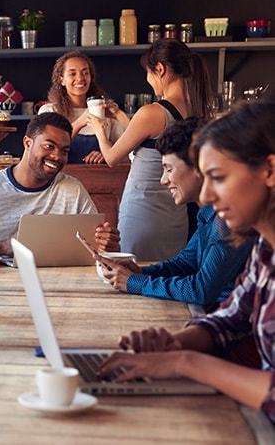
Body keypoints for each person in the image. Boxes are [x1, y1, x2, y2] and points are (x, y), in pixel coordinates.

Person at [97, 98, 275, 423]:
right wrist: (172, 344)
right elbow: (231, 319)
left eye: (218, 177)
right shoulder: (265, 249)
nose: (206, 197)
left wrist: (186, 362)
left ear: (270, 171)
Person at [97, 118, 253, 310]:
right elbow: (185, 263)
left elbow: (201, 290)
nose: (163, 180)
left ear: (199, 167)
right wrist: (140, 273)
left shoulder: (229, 219)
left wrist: (135, 282)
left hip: (235, 328)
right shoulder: (208, 213)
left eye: (169, 169)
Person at [87, 39, 215, 261]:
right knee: (167, 276)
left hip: (144, 210)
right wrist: (119, 115)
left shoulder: (152, 112)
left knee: (135, 276)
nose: (148, 80)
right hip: (176, 216)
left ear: (160, 69)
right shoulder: (197, 109)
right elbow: (152, 140)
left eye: (148, 72)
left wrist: (99, 129)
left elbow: (111, 158)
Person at [0, 113, 119, 256]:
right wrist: (2, 246)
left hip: (60, 285)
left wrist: (107, 243)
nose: (57, 156)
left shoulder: (73, 190)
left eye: (64, 150)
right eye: (49, 146)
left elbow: (98, 248)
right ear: (28, 143)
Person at [38, 50, 126, 164]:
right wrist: (80, 122)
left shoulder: (106, 111)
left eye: (85, 73)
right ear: (61, 80)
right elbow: (45, 152)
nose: (80, 78)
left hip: (100, 179)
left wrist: (106, 156)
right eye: (72, 73)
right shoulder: (49, 112)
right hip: (60, 179)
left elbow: (129, 156)